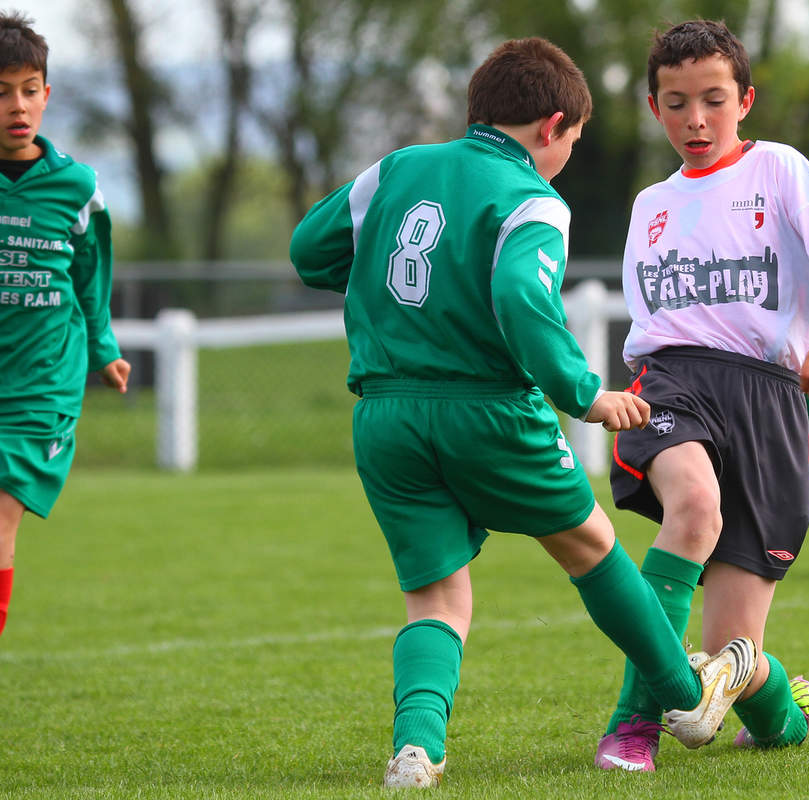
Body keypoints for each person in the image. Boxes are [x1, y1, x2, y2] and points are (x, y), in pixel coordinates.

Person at [289, 37, 759, 789]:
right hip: (486, 410)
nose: (567, 154)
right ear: (552, 126)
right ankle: (687, 699)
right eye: (572, 140)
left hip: (384, 415)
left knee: (435, 598)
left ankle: (416, 749)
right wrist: (585, 392)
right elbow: (519, 298)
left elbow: (310, 251)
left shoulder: (398, 169)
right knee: (593, 551)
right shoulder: (533, 198)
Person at [594, 20, 809, 771]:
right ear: (653, 107)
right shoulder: (650, 205)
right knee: (693, 508)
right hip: (673, 383)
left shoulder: (782, 171)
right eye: (675, 103)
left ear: (745, 100)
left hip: (768, 401)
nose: (695, 120)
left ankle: (779, 708)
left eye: (712, 100)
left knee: (727, 657)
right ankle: (630, 724)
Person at [0, 12, 130, 640]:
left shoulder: (78, 188)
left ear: (47, 95)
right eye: (0, 91)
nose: (16, 105)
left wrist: (104, 349)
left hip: (41, 385)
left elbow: (91, 276)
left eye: (28, 89)